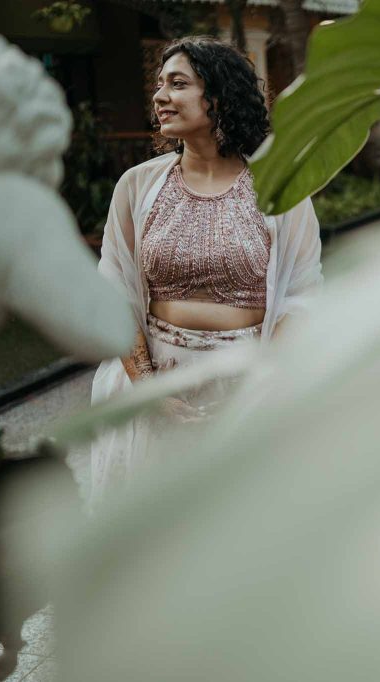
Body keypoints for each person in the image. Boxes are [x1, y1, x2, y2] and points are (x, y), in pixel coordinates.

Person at [90, 36, 323, 502]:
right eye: (159, 85)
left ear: (217, 96)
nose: (160, 96)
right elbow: (113, 294)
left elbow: (302, 295)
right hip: (153, 387)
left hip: (249, 393)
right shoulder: (137, 187)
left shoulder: (279, 188)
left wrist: (253, 389)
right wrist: (151, 391)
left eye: (178, 84)